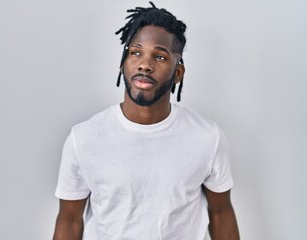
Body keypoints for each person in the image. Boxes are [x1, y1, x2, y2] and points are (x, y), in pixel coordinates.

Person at [53, 2, 240, 240]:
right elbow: (69, 220)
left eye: (160, 56)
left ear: (178, 73)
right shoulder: (84, 138)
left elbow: (221, 214)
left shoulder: (207, 138)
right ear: (123, 64)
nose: (145, 64)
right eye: (135, 52)